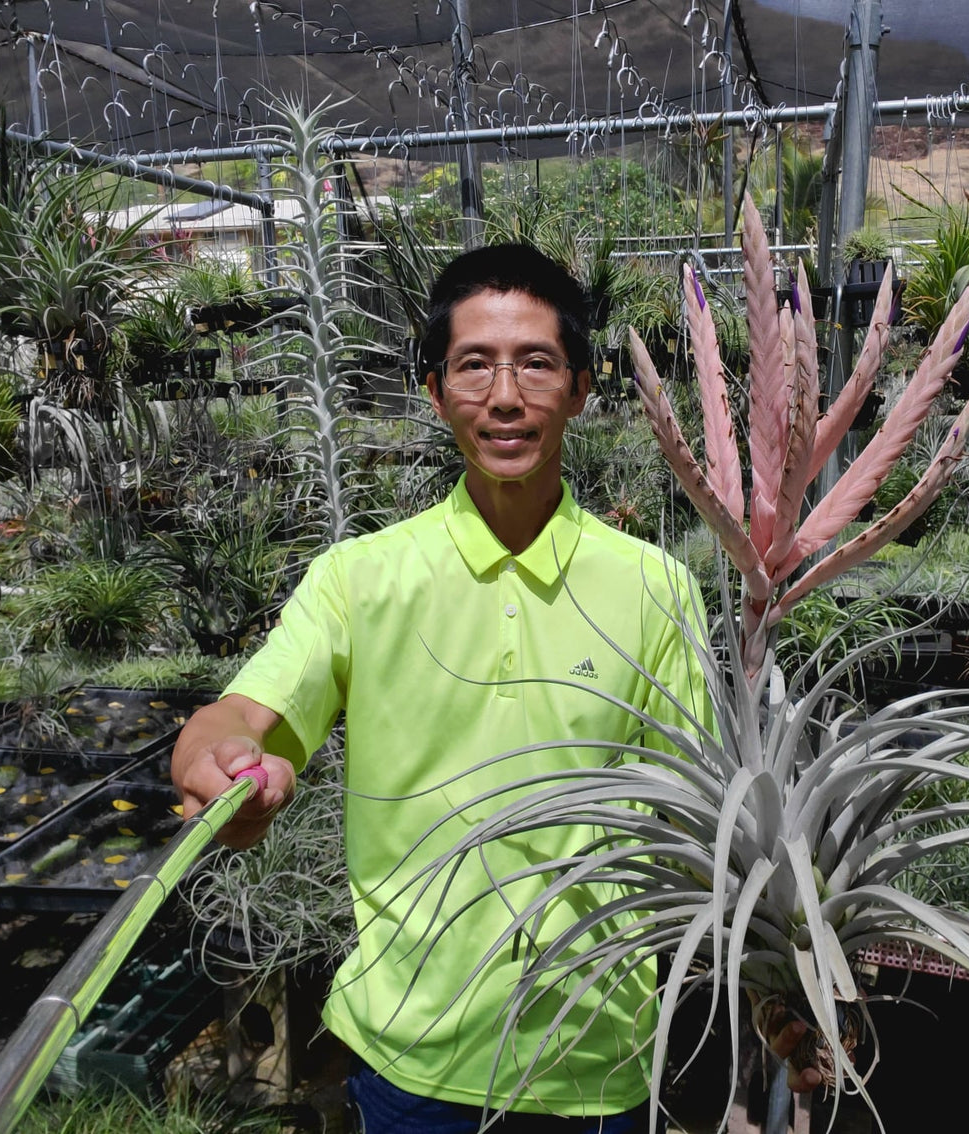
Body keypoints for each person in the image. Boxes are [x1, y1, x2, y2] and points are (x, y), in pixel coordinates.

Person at [171, 243, 714, 1133]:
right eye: (474, 366)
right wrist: (216, 759)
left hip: (597, 1058)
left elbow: (700, 812)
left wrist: (774, 982)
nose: (505, 397)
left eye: (537, 363)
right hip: (410, 1058)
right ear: (433, 392)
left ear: (581, 388)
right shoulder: (362, 578)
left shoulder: (655, 588)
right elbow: (237, 715)